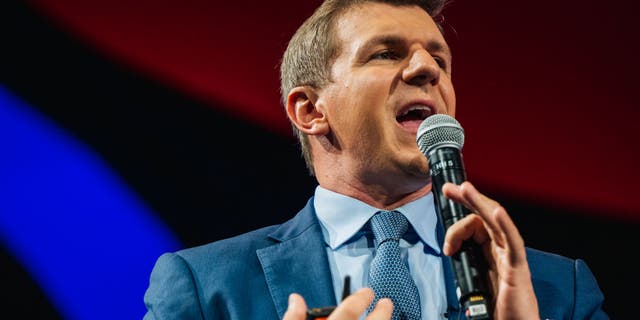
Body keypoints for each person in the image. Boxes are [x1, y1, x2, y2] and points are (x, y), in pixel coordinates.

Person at [143, 0, 608, 319]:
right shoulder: (207, 286)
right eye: (386, 53)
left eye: (440, 61)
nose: (427, 69)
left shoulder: (556, 288)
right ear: (310, 110)